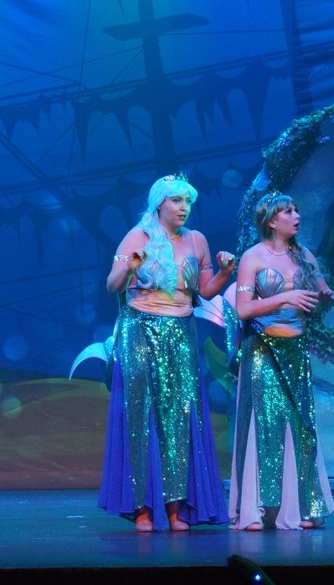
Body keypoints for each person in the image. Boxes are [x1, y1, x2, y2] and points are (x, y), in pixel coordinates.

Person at [98, 173, 235, 532]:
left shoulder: (197, 240)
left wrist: (224, 272)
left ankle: (176, 506)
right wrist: (130, 267)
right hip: (141, 330)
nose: (183, 207)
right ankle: (142, 508)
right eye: (176, 201)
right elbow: (112, 285)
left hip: (181, 332)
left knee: (180, 416)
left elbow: (206, 291)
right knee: (141, 415)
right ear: (159, 204)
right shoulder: (137, 236)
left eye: (187, 201)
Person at [228, 191, 334, 530]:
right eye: (288, 211)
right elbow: (243, 309)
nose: (296, 215)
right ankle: (258, 508)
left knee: (300, 425)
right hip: (263, 347)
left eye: (296, 209)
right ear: (272, 221)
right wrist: (285, 297)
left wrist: (325, 296)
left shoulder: (304, 255)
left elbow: (320, 292)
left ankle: (302, 505)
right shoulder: (252, 257)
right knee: (265, 423)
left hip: (295, 349)